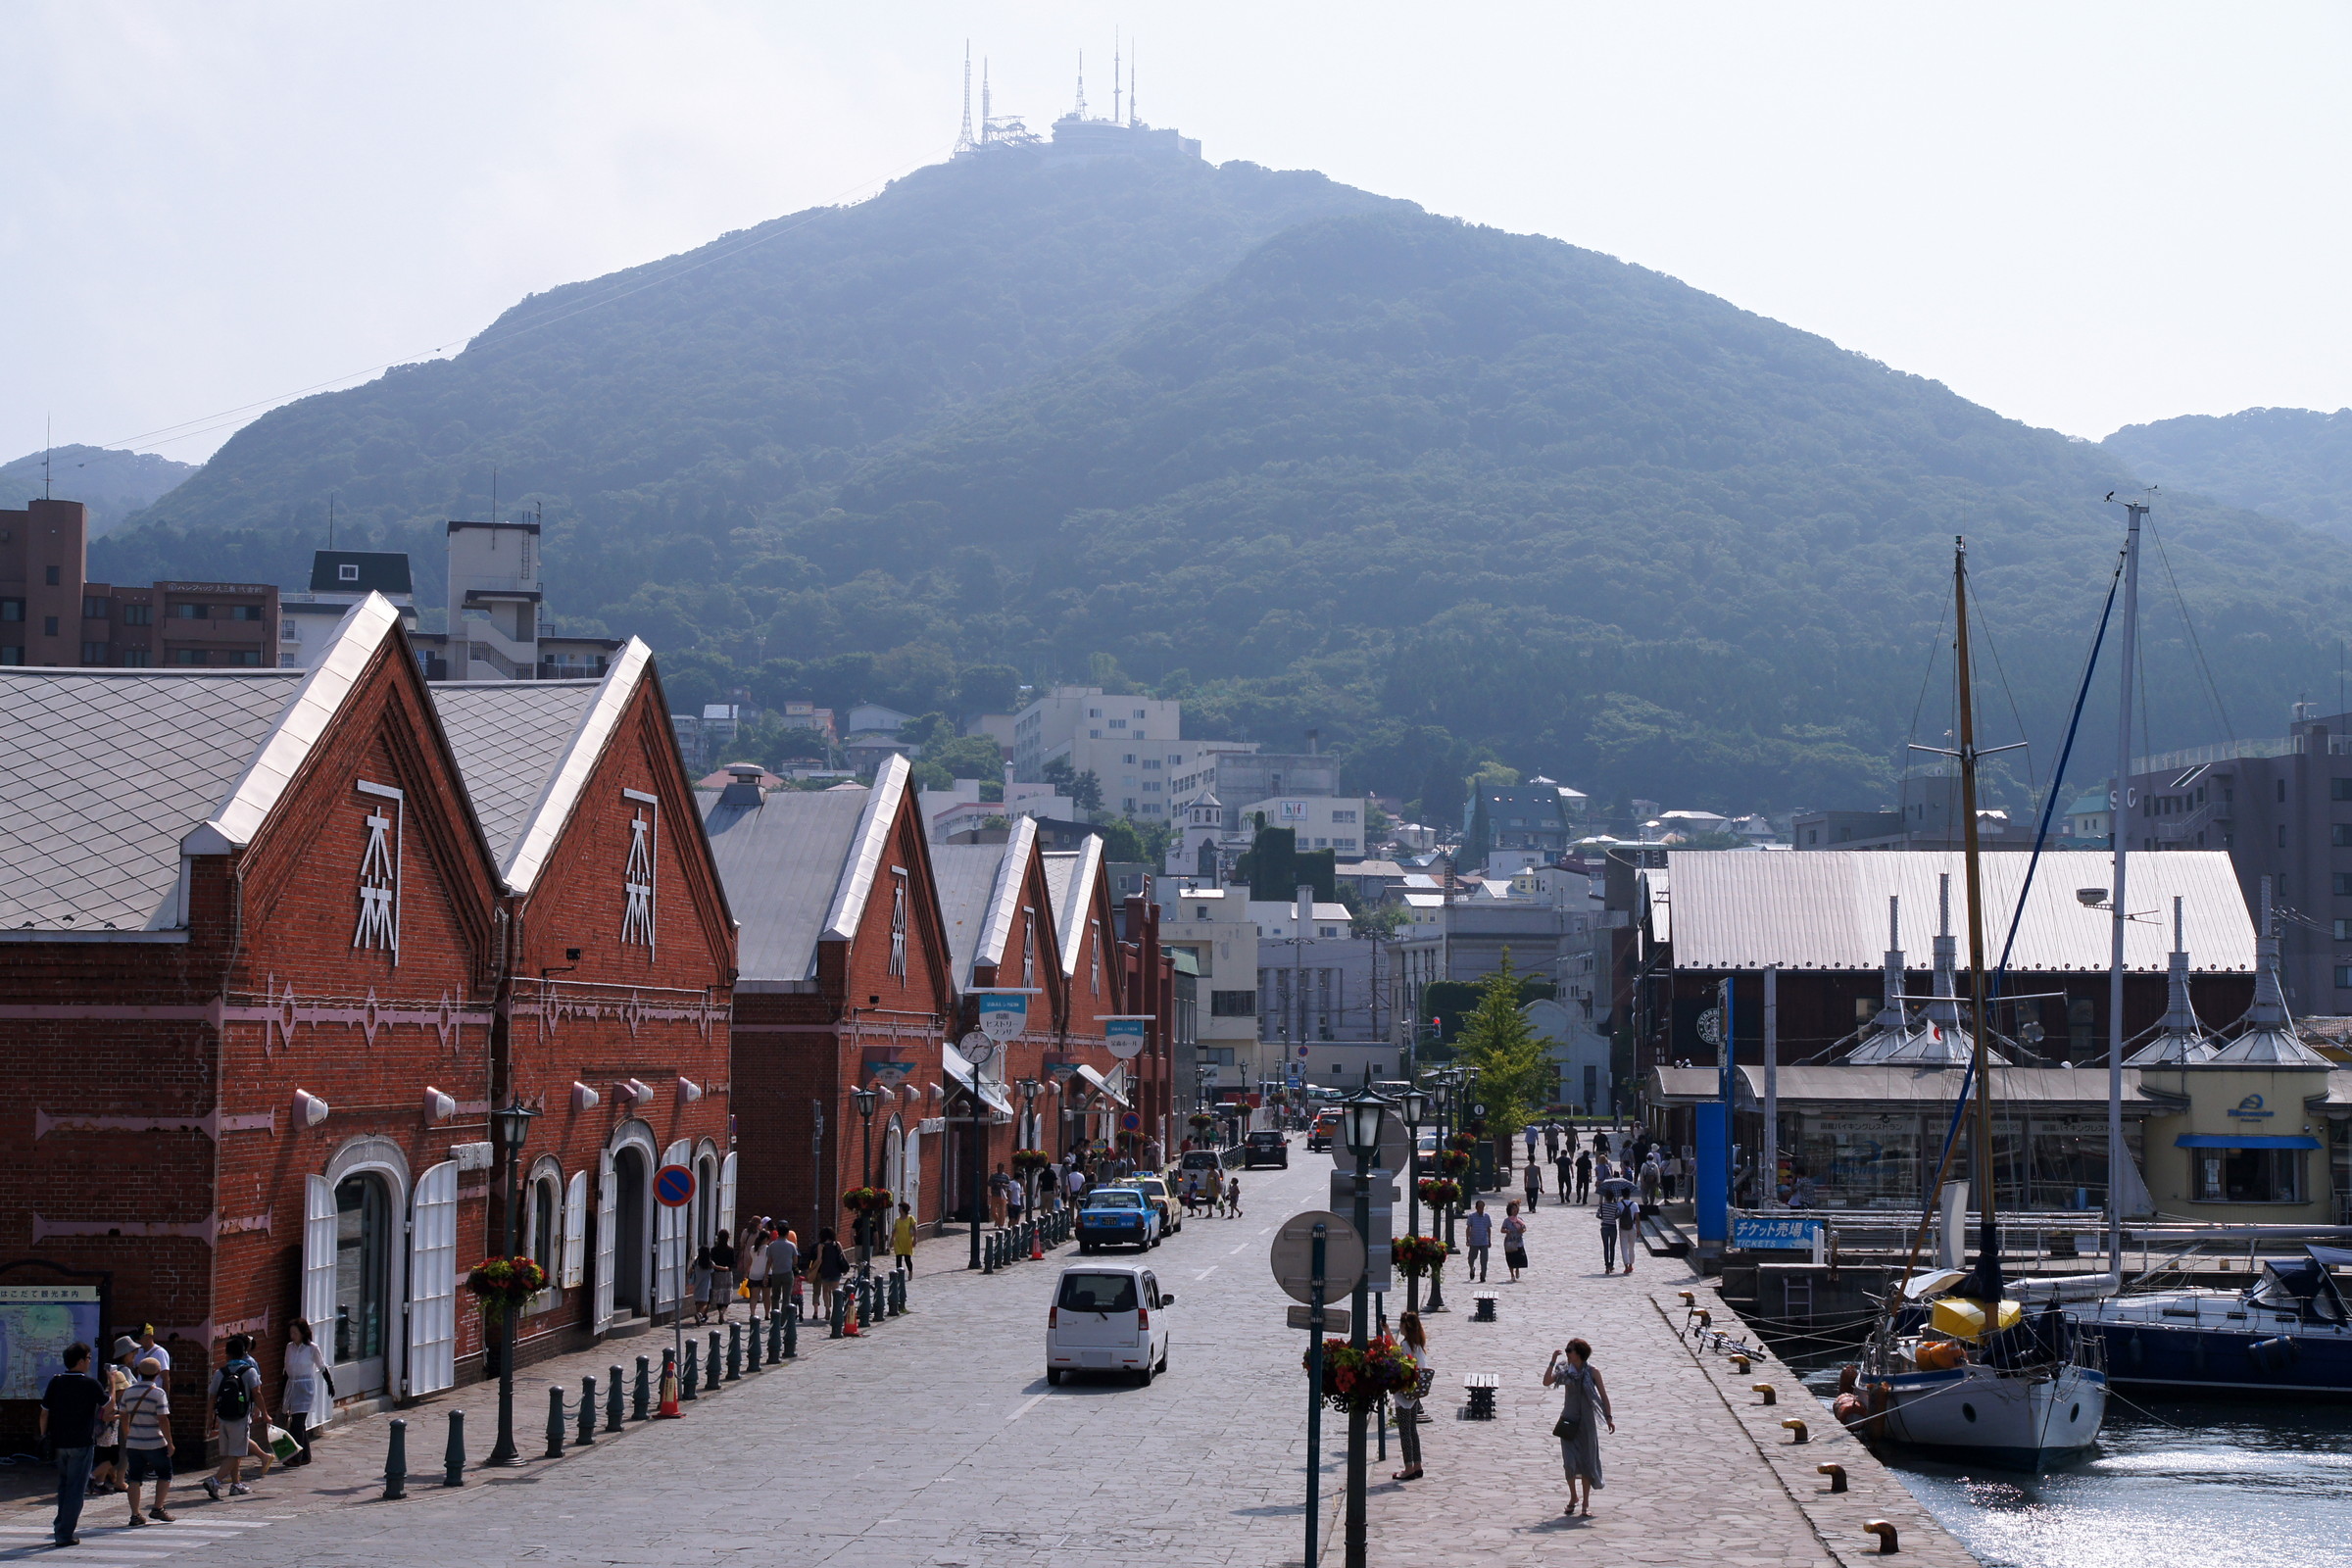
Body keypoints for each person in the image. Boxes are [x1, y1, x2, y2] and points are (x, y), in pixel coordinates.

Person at [40, 1341, 107, 1546]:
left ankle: (61, 1525)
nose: (89, 1362)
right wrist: (112, 1382)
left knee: (64, 1485)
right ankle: (65, 1533)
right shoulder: (90, 1383)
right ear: (80, 1361)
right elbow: (108, 1405)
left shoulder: (56, 1381)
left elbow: (44, 1413)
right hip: (81, 1442)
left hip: (59, 1442)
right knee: (76, 1488)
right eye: (88, 1358)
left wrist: (45, 1437)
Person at [1543, 1339, 1614, 1517]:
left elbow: (1603, 1396)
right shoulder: (1565, 1370)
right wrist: (1552, 1361)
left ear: (1579, 1353)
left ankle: (1585, 1504)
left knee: (1587, 1462)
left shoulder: (1593, 1372)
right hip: (1568, 1421)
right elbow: (1546, 1382)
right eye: (1567, 1350)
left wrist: (1609, 1417)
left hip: (1587, 1423)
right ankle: (1573, 1497)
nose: (1567, 1353)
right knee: (1569, 1463)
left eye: (1570, 1350)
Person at [200, 1333, 269, 1501]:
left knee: (230, 1453)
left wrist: (209, 1419)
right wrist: (265, 1413)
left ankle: (236, 1484)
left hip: (223, 1417)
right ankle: (215, 1481)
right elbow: (257, 1393)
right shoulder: (249, 1371)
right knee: (237, 1454)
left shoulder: (220, 1372)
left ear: (227, 1354)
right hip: (241, 1417)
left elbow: (212, 1397)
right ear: (244, 1352)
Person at [121, 1356, 174, 1525]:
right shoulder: (158, 1393)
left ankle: (135, 1514)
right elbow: (163, 1420)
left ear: (139, 1372)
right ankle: (158, 1508)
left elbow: (123, 1416)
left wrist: (128, 1434)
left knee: (134, 1478)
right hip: (155, 1442)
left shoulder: (128, 1392)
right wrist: (170, 1442)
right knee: (165, 1473)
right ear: (158, 1374)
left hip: (134, 1442)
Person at [279, 1318, 328, 1468]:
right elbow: (286, 1368)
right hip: (292, 1386)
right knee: (297, 1423)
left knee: (297, 1423)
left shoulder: (312, 1348)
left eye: (295, 1332)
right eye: (291, 1333)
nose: (292, 1335)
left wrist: (330, 1384)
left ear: (302, 1333)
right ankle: (306, 1455)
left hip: (305, 1387)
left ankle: (296, 1457)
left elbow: (322, 1366)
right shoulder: (290, 1347)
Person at [92, 1337, 136, 1497]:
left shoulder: (116, 1373)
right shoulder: (123, 1373)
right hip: (110, 1432)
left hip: (109, 1433)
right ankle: (102, 1478)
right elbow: (107, 1416)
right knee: (117, 1455)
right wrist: (120, 1416)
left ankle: (102, 1482)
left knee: (109, 1456)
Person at [1392, 1312, 1431, 1481]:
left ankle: (1408, 1468)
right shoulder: (1418, 1345)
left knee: (1404, 1431)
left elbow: (1397, 1356)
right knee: (1413, 1430)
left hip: (1404, 1394)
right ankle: (1417, 1465)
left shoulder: (1406, 1345)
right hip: (1415, 1393)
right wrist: (1387, 1332)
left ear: (1404, 1327)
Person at [813, 1227, 850, 1321]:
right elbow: (843, 1256)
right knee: (835, 1291)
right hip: (836, 1270)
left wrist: (813, 1268)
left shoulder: (821, 1246)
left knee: (825, 1291)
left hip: (825, 1270)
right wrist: (845, 1267)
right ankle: (836, 1310)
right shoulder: (837, 1244)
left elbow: (819, 1259)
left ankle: (827, 1309)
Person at [765, 1227, 802, 1319]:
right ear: (787, 1234)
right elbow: (795, 1261)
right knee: (786, 1297)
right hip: (787, 1273)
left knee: (775, 1297)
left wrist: (766, 1275)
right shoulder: (791, 1245)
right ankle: (784, 1319)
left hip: (776, 1273)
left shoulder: (772, 1245)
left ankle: (775, 1317)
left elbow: (769, 1261)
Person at [743, 1222, 771, 1315]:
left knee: (754, 1297)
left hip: (754, 1274)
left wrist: (746, 1272)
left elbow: (751, 1261)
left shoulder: (752, 1248)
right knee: (766, 1297)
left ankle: (752, 1313)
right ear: (767, 1239)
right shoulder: (768, 1249)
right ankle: (767, 1314)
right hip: (765, 1274)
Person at [710, 1229, 738, 1322]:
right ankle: (723, 1311)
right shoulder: (730, 1250)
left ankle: (719, 1310)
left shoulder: (714, 1250)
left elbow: (712, 1261)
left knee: (718, 1295)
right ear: (728, 1238)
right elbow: (733, 1263)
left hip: (716, 1274)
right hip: (727, 1273)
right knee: (726, 1296)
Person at [1464, 1200, 1493, 1282]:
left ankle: (1483, 1275)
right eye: (1479, 1207)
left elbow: (1488, 1229)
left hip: (1484, 1241)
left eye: (1482, 1207)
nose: (1481, 1209)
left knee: (1484, 1260)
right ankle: (1472, 1268)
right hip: (1474, 1241)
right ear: (1476, 1208)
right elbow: (1468, 1228)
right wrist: (1467, 1239)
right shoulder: (1471, 1216)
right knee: (1471, 1258)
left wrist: (1489, 1239)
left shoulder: (1486, 1217)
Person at [1501, 1200, 1531, 1282]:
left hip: (1518, 1242)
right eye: (1513, 1209)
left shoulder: (1519, 1219)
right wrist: (1507, 1231)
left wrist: (1522, 1230)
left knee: (1518, 1257)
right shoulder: (1507, 1221)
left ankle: (1517, 1269)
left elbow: (1524, 1228)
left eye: (1516, 1209)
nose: (1515, 1210)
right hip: (1509, 1242)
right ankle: (1512, 1274)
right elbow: (1502, 1229)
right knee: (1510, 1258)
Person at [1597, 1189, 1624, 1273]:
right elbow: (1619, 1214)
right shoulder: (1615, 1206)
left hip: (1604, 1227)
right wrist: (1613, 1217)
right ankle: (1612, 1264)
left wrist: (1604, 1218)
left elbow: (1598, 1215)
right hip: (1612, 1227)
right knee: (1612, 1246)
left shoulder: (1602, 1206)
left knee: (1606, 1247)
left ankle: (1607, 1265)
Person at [689, 1247, 715, 1326]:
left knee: (697, 1301)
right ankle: (700, 1314)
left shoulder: (696, 1262)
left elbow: (690, 1270)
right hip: (706, 1285)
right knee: (705, 1302)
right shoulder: (709, 1263)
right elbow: (713, 1270)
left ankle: (698, 1315)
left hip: (697, 1283)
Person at [1617, 1190, 1640, 1276]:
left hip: (1622, 1228)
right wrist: (1638, 1229)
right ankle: (1631, 1264)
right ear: (1629, 1195)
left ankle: (1626, 1266)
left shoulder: (1619, 1204)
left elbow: (1617, 1215)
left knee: (1624, 1247)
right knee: (1631, 1247)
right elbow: (1637, 1218)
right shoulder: (1634, 1204)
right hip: (1632, 1227)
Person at [891, 1202, 917, 1274]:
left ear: (904, 1209)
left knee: (907, 1259)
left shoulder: (910, 1218)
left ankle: (910, 1272)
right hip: (898, 1241)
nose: (899, 1209)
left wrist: (915, 1239)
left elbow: (915, 1229)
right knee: (898, 1259)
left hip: (907, 1242)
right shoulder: (897, 1220)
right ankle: (899, 1275)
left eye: (900, 1208)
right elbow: (894, 1230)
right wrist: (892, 1240)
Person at [988, 1163, 1014, 1228]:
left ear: (1003, 1169)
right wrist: (995, 1184)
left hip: (1003, 1195)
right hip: (994, 1195)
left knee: (1002, 1211)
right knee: (993, 1211)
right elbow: (989, 1183)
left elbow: (1009, 1185)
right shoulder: (993, 1176)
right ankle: (997, 1220)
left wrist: (1004, 1185)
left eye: (1001, 1168)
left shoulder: (1006, 1177)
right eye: (999, 1168)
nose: (1000, 1169)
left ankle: (1001, 1225)